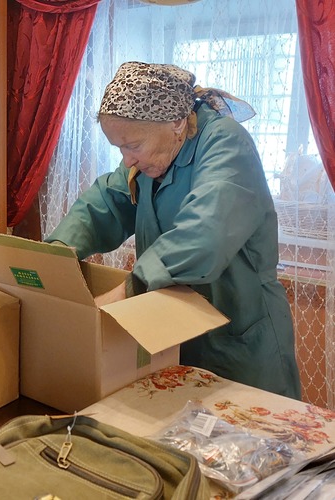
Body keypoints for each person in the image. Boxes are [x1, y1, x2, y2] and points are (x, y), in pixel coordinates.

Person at [46, 61, 302, 400]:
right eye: (119, 148)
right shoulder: (152, 157)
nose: (127, 160)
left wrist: (130, 290)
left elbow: (205, 234)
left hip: (239, 337)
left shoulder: (226, 144)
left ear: (177, 123)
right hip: (179, 333)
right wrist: (55, 254)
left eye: (132, 146)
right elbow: (106, 202)